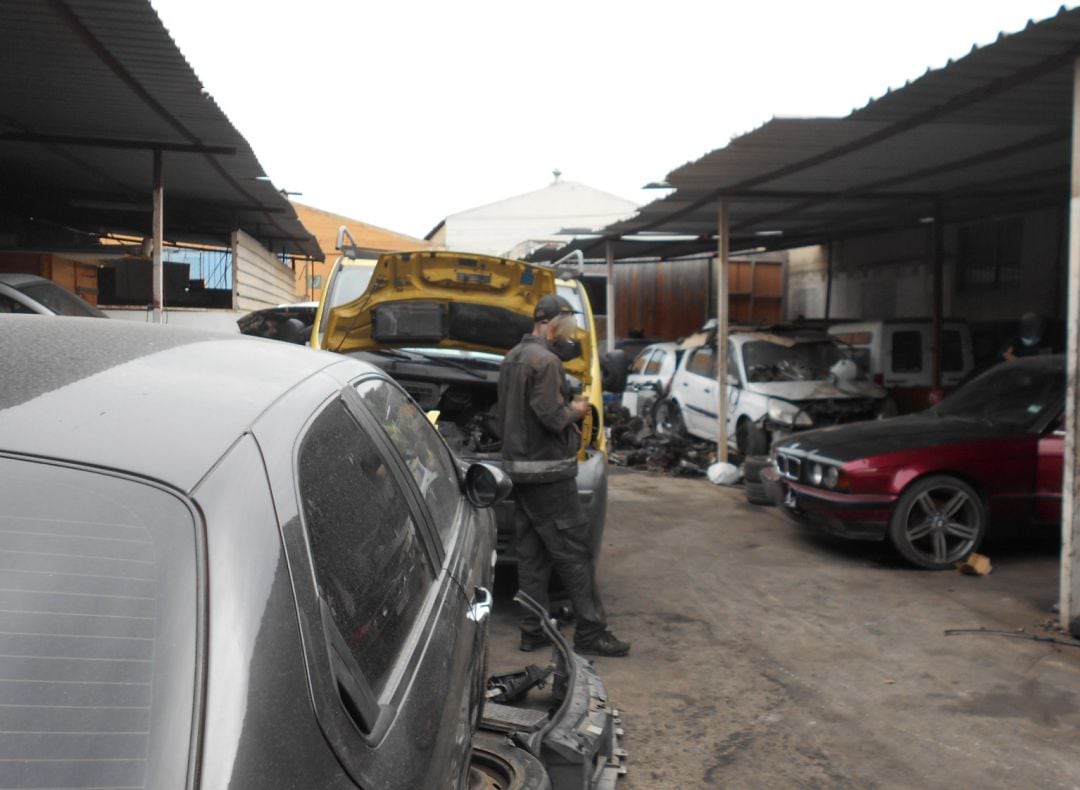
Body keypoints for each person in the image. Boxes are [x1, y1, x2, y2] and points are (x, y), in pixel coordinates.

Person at [497, 293, 630, 657]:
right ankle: (591, 632)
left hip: (518, 473)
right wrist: (577, 409)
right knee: (575, 553)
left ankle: (533, 630)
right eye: (566, 328)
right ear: (552, 324)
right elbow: (551, 417)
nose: (567, 336)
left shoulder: (510, 358)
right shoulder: (546, 362)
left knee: (531, 554)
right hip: (548, 476)